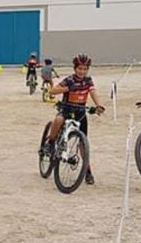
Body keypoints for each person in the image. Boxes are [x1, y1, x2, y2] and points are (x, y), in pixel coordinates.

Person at [44, 54, 106, 185]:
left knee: (83, 144)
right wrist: (67, 88)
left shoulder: (88, 80)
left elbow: (93, 92)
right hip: (66, 110)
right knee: (58, 120)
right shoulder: (70, 80)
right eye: (80, 68)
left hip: (80, 113)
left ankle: (87, 171)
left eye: (85, 69)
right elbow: (53, 91)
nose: (82, 71)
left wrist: (98, 106)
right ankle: (51, 142)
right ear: (75, 68)